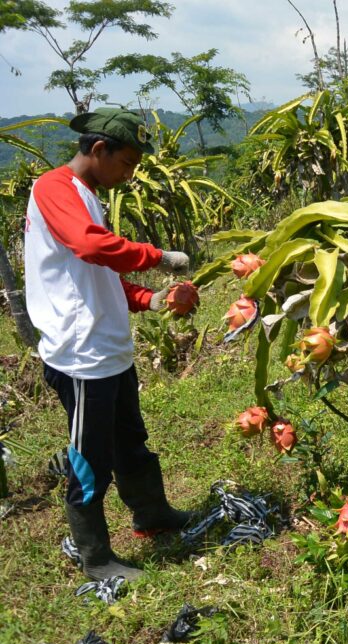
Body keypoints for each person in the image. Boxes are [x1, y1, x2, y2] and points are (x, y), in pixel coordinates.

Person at [24, 107, 194, 582]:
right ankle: (95, 557)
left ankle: (152, 514)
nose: (130, 173)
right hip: (80, 357)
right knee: (89, 461)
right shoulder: (54, 188)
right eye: (128, 162)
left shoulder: (87, 196)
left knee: (130, 444)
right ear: (99, 150)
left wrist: (150, 299)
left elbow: (98, 273)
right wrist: (159, 258)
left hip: (109, 351)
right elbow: (92, 247)